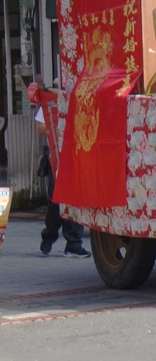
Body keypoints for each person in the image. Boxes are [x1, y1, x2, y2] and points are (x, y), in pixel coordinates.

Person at [35, 100, 90, 258]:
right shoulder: (52, 102)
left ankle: (73, 244)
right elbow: (40, 127)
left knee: (76, 200)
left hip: (78, 157)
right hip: (57, 158)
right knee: (56, 201)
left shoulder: (80, 101)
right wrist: (62, 127)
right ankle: (49, 235)